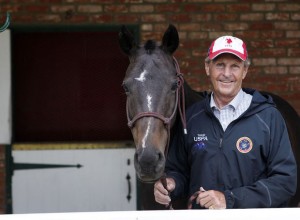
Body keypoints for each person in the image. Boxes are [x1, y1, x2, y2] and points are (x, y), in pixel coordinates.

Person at [154, 36, 297, 209]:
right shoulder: (191, 118)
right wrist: (171, 184)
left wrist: (229, 200)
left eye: (235, 66)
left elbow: (285, 182)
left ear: (244, 71)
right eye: (220, 65)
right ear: (208, 68)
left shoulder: (268, 118)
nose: (227, 73)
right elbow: (179, 171)